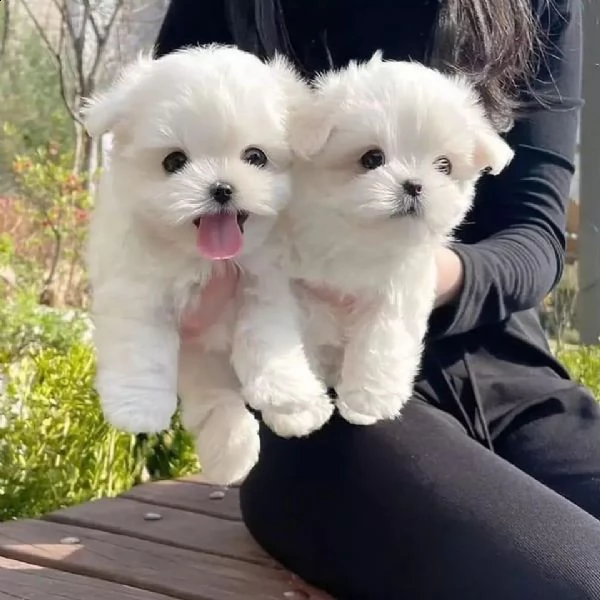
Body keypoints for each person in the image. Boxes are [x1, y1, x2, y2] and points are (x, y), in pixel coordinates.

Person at [155, 1, 600, 598]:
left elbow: (534, 233)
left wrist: (410, 279)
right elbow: (164, 179)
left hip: (510, 379)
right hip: (316, 395)